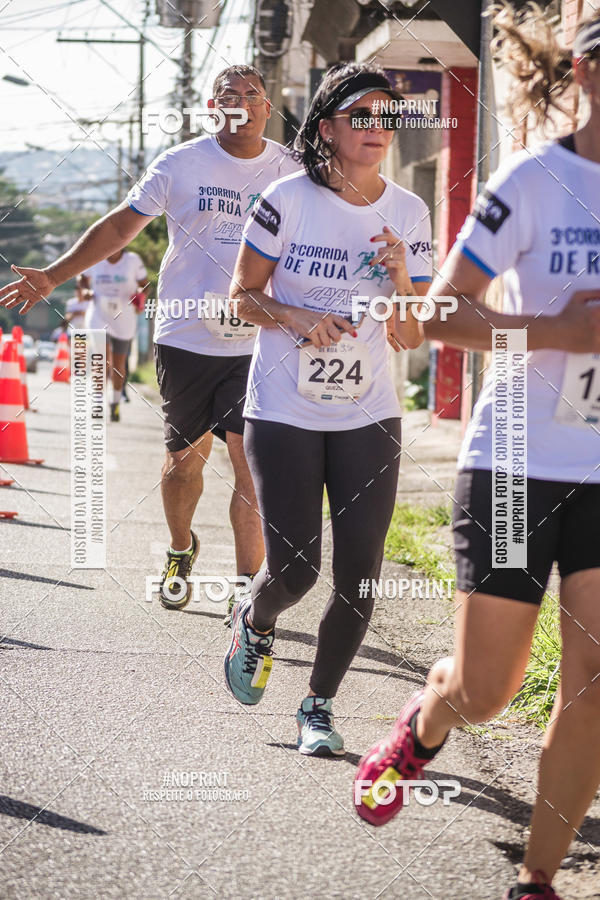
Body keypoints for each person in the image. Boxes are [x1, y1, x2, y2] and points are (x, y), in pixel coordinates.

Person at [353, 8, 600, 900]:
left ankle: (538, 876)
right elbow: (438, 314)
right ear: (585, 71)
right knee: (489, 690)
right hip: (515, 464)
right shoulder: (532, 180)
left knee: (594, 684)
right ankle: (425, 723)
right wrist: (555, 328)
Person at [0, 64, 297, 615]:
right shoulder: (181, 163)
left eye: (252, 93)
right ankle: (181, 549)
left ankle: (245, 592)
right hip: (186, 334)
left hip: (259, 340)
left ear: (266, 106)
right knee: (184, 462)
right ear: (213, 107)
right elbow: (119, 228)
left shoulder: (291, 169)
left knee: (248, 465)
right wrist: (52, 276)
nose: (242, 101)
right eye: (228, 94)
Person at [224, 62, 432, 757]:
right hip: (283, 407)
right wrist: (294, 315)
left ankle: (318, 705)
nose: (378, 130)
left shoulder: (408, 210)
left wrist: (402, 277)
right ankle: (256, 617)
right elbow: (240, 297)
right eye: (361, 117)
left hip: (368, 412)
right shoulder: (286, 199)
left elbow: (412, 334)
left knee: (361, 573)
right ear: (326, 128)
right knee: (298, 569)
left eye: (388, 118)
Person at [79, 249, 147, 422]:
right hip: (99, 315)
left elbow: (144, 284)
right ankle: (97, 403)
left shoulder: (132, 260)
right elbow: (82, 278)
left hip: (124, 318)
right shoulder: (96, 256)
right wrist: (86, 291)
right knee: (101, 359)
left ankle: (115, 402)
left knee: (118, 364)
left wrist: (139, 296)